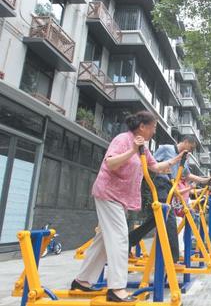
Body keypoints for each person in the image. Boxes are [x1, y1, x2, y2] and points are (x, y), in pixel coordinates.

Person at [71, 111, 185, 302]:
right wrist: (132, 150)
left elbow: (154, 167)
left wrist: (175, 160)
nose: (154, 131)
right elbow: (111, 163)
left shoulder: (143, 146)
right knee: (120, 238)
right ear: (142, 126)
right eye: (154, 127)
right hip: (108, 193)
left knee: (103, 241)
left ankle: (82, 281)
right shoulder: (124, 139)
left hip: (119, 198)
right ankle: (116, 289)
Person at [129, 135, 211, 262]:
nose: (190, 151)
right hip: (160, 184)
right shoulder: (166, 148)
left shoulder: (183, 158)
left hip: (170, 187)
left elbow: (188, 175)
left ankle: (131, 239)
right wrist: (162, 169)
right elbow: (152, 162)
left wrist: (204, 180)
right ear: (185, 142)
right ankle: (172, 258)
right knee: (169, 216)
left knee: (156, 219)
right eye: (191, 147)